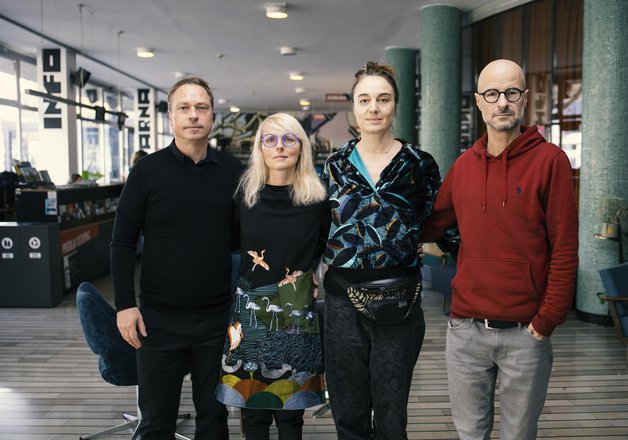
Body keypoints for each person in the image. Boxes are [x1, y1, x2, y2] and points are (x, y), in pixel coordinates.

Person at [423, 59, 579, 440]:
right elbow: (429, 225)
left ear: (524, 99)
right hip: (466, 330)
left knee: (518, 435)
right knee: (470, 433)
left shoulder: (551, 161)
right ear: (479, 102)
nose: (502, 102)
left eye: (511, 93)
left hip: (526, 334)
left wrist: (545, 323)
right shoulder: (463, 166)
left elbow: (565, 248)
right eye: (492, 94)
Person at [110, 77, 243, 440]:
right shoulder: (147, 171)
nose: (193, 115)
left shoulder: (234, 173)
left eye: (201, 107)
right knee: (156, 423)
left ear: (212, 116)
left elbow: (242, 240)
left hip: (217, 319)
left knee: (214, 418)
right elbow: (122, 242)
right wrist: (125, 305)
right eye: (183, 107)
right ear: (171, 117)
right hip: (157, 320)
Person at [321, 61, 441, 440]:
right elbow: (316, 225)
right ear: (353, 108)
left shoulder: (419, 164)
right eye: (365, 99)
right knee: (349, 414)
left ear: (395, 105)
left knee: (391, 418)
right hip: (341, 304)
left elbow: (439, 223)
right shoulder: (334, 166)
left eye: (383, 99)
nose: (374, 108)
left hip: (398, 302)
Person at [216, 113, 328, 440]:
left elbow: (324, 245)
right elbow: (232, 243)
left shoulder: (317, 199)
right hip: (250, 315)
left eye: (288, 139)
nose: (280, 147)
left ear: (301, 148)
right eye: (270, 139)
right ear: (260, 149)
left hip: (295, 310)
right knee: (253, 413)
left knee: (291, 416)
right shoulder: (244, 197)